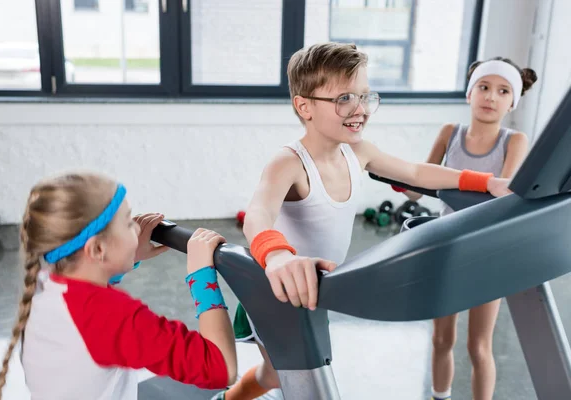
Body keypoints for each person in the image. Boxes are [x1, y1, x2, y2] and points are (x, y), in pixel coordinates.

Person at [213, 42, 512, 400]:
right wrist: (278, 255)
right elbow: (258, 214)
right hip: (278, 288)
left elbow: (417, 172)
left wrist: (487, 182)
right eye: (344, 99)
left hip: (315, 291)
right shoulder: (289, 163)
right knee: (287, 377)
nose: (359, 109)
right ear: (304, 106)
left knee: (277, 374)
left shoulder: (358, 151)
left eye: (365, 96)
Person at [0, 172, 237, 400]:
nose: (137, 227)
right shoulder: (111, 316)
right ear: (98, 249)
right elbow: (221, 367)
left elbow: (87, 308)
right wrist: (201, 276)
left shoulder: (43, 281)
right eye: (128, 223)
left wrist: (125, 258)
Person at [397, 57, 537, 400]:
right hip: (445, 250)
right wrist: (395, 176)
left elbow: (504, 193)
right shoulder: (449, 133)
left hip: (489, 252)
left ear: (512, 101)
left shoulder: (514, 141)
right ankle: (439, 396)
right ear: (469, 93)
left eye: (503, 91)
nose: (491, 96)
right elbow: (419, 185)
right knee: (441, 339)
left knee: (479, 346)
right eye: (484, 87)